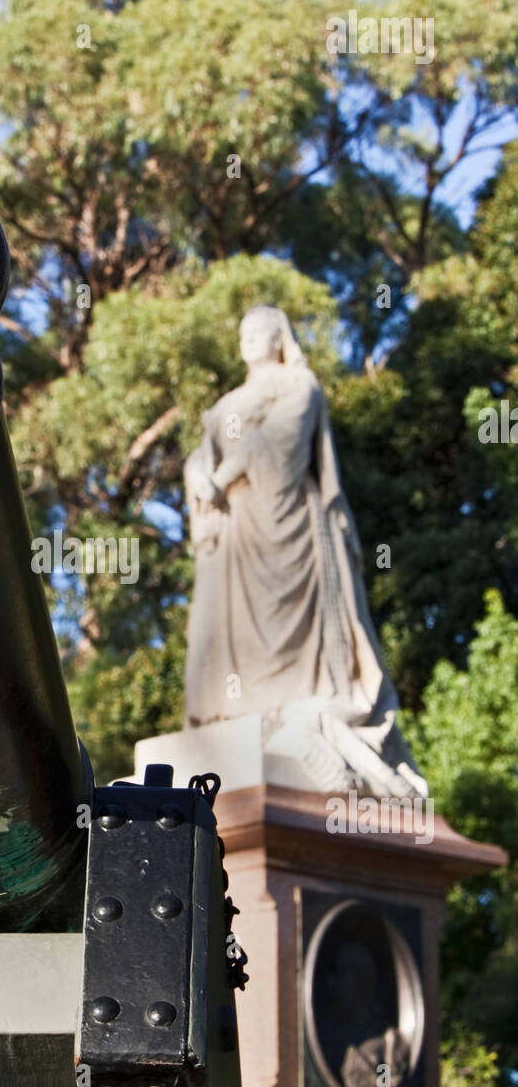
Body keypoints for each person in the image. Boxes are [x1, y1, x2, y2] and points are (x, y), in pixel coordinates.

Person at [183, 304, 425, 798]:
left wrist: (223, 477)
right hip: (233, 533)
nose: (250, 339)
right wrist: (196, 474)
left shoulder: (301, 385)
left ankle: (300, 709)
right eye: (244, 331)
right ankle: (237, 714)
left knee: (293, 631)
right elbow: (202, 451)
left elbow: (280, 443)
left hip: (287, 525)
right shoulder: (231, 399)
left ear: (280, 339)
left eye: (261, 331)